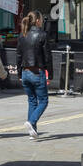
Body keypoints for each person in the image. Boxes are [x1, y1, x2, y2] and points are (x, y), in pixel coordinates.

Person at [18, 10, 50, 139]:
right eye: (41, 19)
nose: (42, 21)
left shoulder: (22, 35)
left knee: (32, 101)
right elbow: (47, 56)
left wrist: (19, 73)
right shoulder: (42, 34)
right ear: (37, 21)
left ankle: (32, 132)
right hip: (37, 72)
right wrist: (50, 73)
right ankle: (31, 122)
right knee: (43, 101)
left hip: (25, 72)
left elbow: (18, 55)